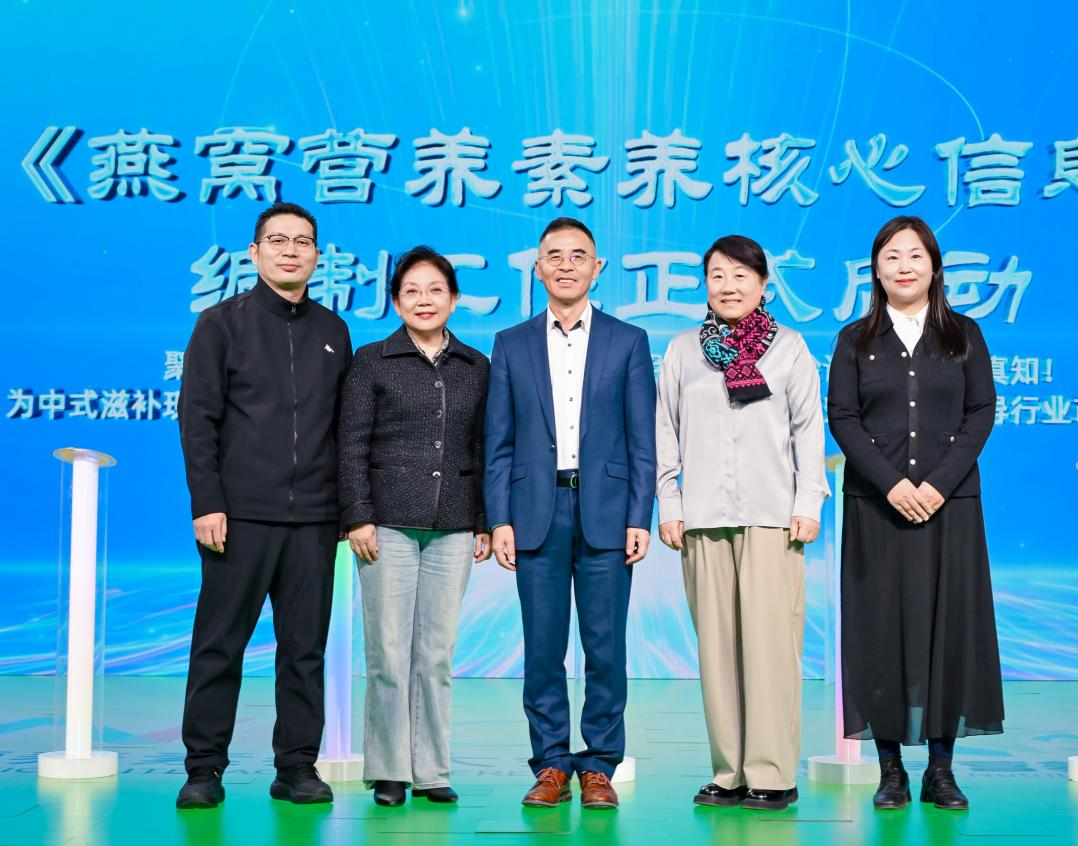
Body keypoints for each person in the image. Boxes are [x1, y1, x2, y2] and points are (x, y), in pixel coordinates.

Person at [176, 201, 352, 809]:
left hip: (314, 519)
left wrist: (345, 510)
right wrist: (208, 502)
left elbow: (343, 428)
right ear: (255, 253)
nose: (290, 251)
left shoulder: (333, 331)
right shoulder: (220, 324)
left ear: (317, 256)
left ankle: (297, 766)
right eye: (278, 240)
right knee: (219, 644)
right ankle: (204, 769)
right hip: (239, 516)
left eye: (303, 242)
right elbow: (197, 420)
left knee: (304, 650)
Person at [827, 215, 1004, 811]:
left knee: (948, 629)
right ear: (876, 270)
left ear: (934, 266)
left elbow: (981, 412)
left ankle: (941, 769)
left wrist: (936, 485)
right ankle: (891, 769)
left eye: (915, 256)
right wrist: (892, 485)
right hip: (876, 509)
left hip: (950, 508)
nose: (904, 266)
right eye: (892, 256)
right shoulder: (854, 339)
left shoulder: (964, 335)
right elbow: (843, 417)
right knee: (879, 631)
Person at [484, 217, 656, 810]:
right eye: (553, 255)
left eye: (578, 255)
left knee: (605, 648)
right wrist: (499, 519)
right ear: (537, 268)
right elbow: (498, 442)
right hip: (535, 510)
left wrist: (640, 515)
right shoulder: (511, 343)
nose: (565, 265)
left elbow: (642, 440)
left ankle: (600, 764)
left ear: (597, 267)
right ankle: (552, 763)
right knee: (542, 649)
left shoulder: (627, 340)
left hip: (607, 511)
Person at [655, 235, 828, 811]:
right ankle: (728, 771)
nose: (728, 287)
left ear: (763, 284)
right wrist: (670, 503)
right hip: (703, 518)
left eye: (740, 276)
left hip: (773, 517)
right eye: (717, 276)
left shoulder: (789, 347)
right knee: (717, 652)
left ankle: (772, 773)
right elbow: (665, 431)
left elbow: (808, 429)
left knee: (772, 648)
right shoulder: (684, 350)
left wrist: (809, 502)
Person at [337, 246, 491, 807]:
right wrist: (357, 516)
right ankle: (388, 769)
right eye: (411, 291)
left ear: (454, 298)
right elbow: (350, 444)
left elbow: (482, 448)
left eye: (435, 290)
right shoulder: (372, 360)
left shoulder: (476, 366)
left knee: (436, 653)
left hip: (453, 523)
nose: (424, 300)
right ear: (396, 302)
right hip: (387, 524)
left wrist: (482, 522)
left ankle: (432, 770)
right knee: (387, 650)